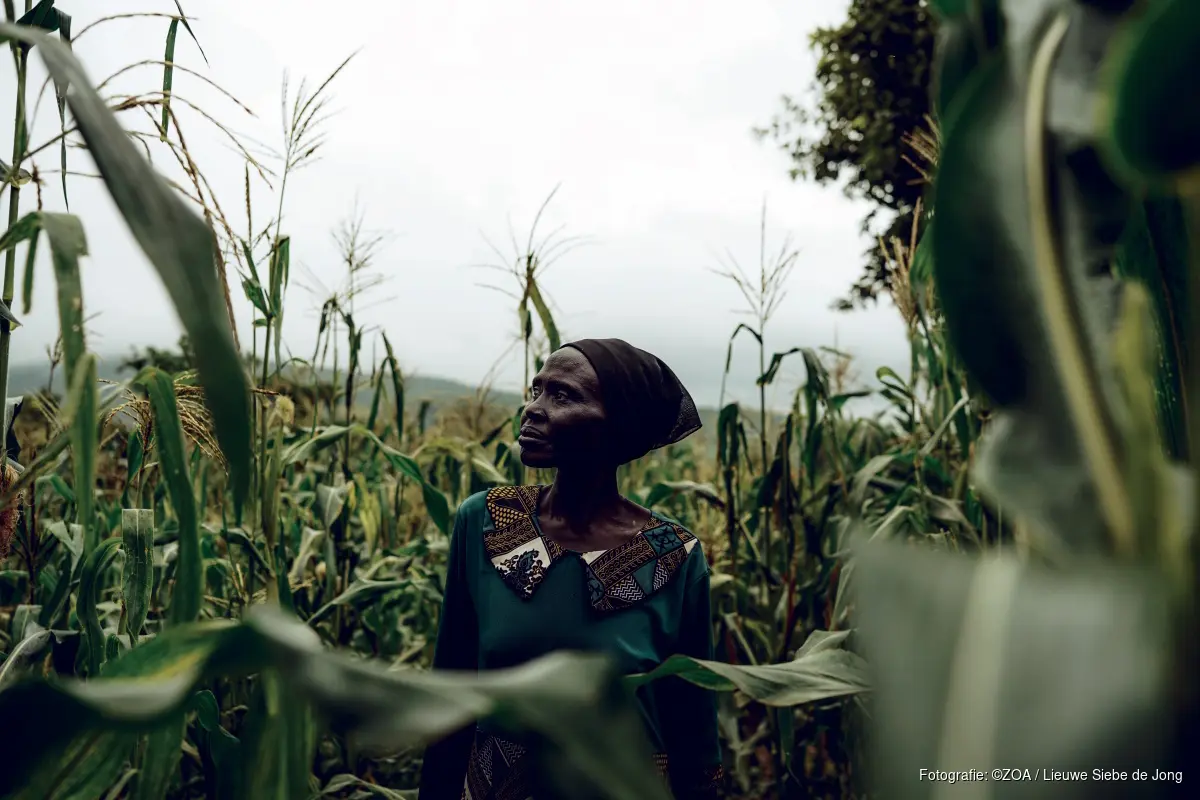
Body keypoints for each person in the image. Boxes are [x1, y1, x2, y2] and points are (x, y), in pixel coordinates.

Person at [418, 338, 724, 800]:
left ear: (618, 424)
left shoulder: (674, 554)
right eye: (536, 390)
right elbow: (451, 691)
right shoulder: (487, 522)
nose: (532, 409)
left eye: (563, 396)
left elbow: (693, 727)